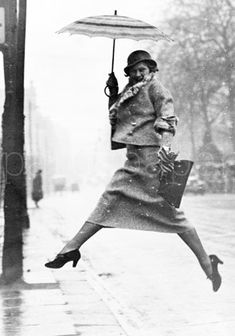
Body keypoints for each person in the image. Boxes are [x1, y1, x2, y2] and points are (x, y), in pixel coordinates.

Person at [45, 50, 223, 292]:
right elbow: (118, 119)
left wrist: (165, 150)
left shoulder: (155, 88)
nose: (139, 73)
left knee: (170, 215)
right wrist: (113, 93)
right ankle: (70, 248)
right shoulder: (128, 92)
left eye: (143, 69)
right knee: (109, 202)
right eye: (135, 70)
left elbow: (168, 118)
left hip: (151, 160)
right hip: (133, 160)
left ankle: (206, 262)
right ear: (128, 72)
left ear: (151, 70)